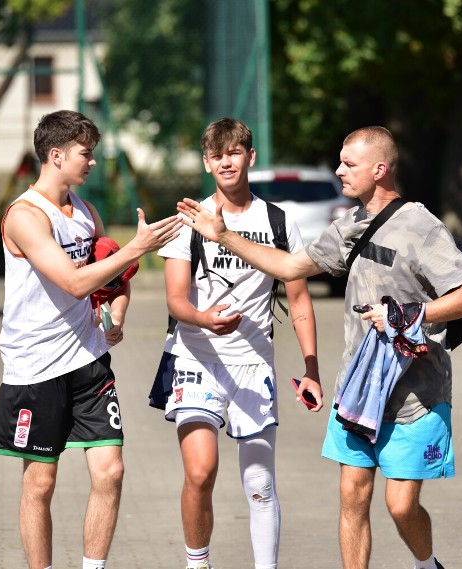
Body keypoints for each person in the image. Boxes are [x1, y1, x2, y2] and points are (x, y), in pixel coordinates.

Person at [176, 126, 462, 569]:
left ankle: (426, 564)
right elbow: (287, 266)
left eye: (349, 164)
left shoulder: (420, 226)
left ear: (379, 170)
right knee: (352, 499)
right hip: (359, 392)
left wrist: (412, 315)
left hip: (416, 396)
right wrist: (222, 234)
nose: (339, 170)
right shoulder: (351, 225)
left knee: (400, 506)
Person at [0, 109, 181, 569]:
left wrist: (118, 310)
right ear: (56, 155)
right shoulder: (25, 217)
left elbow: (111, 276)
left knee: (110, 472)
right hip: (36, 366)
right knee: (40, 483)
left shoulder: (86, 210)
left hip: (88, 359)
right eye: (85, 154)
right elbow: (74, 282)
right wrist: (138, 247)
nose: (92, 162)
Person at [154, 117, 323, 569]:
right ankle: (197, 563)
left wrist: (312, 369)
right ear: (207, 163)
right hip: (197, 359)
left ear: (250, 157)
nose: (226, 161)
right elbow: (174, 300)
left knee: (260, 483)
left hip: (254, 363)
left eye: (234, 152)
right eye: (217, 155)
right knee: (200, 470)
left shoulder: (279, 221)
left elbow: (300, 300)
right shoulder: (189, 220)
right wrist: (203, 319)